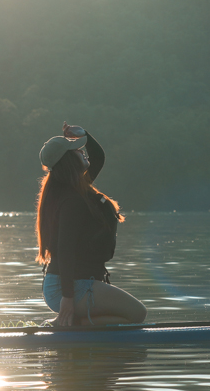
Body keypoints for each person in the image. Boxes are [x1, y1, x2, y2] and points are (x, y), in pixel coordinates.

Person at [35, 122, 147, 327]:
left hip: (73, 283)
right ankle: (66, 323)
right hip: (66, 287)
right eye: (75, 150)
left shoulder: (77, 186)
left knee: (134, 317)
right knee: (137, 314)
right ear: (68, 160)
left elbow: (99, 158)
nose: (81, 151)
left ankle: (72, 323)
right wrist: (67, 299)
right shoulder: (71, 200)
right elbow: (65, 250)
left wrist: (84, 133)